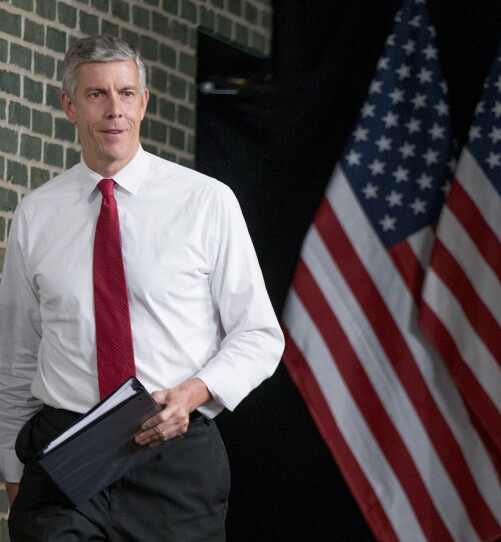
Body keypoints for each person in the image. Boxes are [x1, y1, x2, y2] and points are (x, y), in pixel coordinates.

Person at [0, 35, 284, 540]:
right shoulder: (36, 214)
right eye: (96, 95)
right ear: (69, 105)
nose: (114, 110)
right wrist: (14, 474)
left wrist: (192, 393)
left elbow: (260, 335)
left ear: (144, 102)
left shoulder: (206, 202)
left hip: (172, 459)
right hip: (66, 455)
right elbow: (18, 357)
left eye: (127, 93)